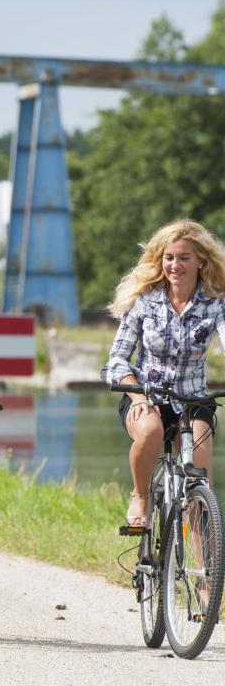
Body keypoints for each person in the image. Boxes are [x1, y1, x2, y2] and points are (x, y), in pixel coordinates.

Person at [102, 219, 225, 527]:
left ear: (200, 261)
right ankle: (140, 496)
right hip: (146, 395)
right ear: (160, 260)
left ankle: (206, 573)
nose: (176, 265)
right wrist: (137, 395)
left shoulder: (216, 303)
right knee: (151, 430)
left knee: (200, 479)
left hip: (193, 399)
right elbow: (117, 359)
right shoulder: (144, 301)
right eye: (169, 257)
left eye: (184, 257)